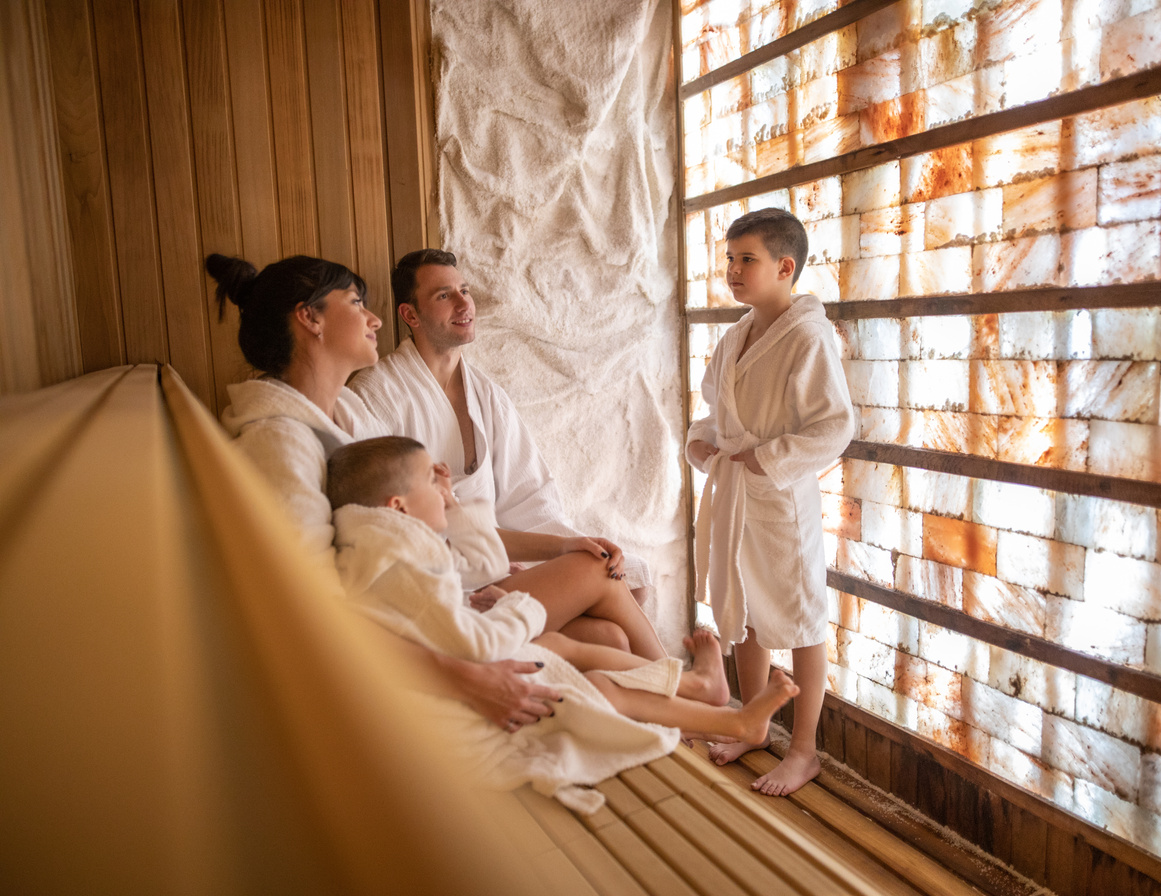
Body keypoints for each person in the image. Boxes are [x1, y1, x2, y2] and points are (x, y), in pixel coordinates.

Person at [205, 253, 649, 733]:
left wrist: (553, 545)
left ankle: (671, 725)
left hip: (436, 593)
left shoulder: (348, 414)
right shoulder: (279, 443)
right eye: (357, 302)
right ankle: (697, 705)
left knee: (606, 636)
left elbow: (430, 519)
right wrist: (465, 680)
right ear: (309, 317)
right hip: (404, 626)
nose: (373, 318)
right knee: (596, 570)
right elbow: (309, 608)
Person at [325, 435, 794, 810]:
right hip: (458, 694)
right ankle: (717, 708)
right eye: (433, 481)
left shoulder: (385, 552)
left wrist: (453, 508)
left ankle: (709, 701)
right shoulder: (402, 563)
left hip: (459, 643)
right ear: (397, 507)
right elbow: (466, 630)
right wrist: (518, 606)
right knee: (593, 638)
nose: (445, 488)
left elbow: (461, 571)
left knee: (603, 640)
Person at [348, 249, 657, 612]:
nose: (464, 304)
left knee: (631, 577)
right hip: (438, 570)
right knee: (604, 598)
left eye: (465, 290)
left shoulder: (486, 395)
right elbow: (383, 515)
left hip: (497, 555)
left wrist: (567, 545)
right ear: (410, 314)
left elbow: (527, 495)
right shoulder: (377, 394)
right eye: (444, 296)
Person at [686, 208, 854, 797]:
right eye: (729, 259)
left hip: (780, 498)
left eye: (746, 259)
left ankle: (804, 750)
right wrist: (704, 443)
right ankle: (752, 723)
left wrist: (767, 460)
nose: (733, 270)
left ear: (785, 267)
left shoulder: (807, 336)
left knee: (803, 619)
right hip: (737, 493)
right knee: (746, 611)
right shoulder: (737, 335)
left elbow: (835, 426)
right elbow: (718, 413)